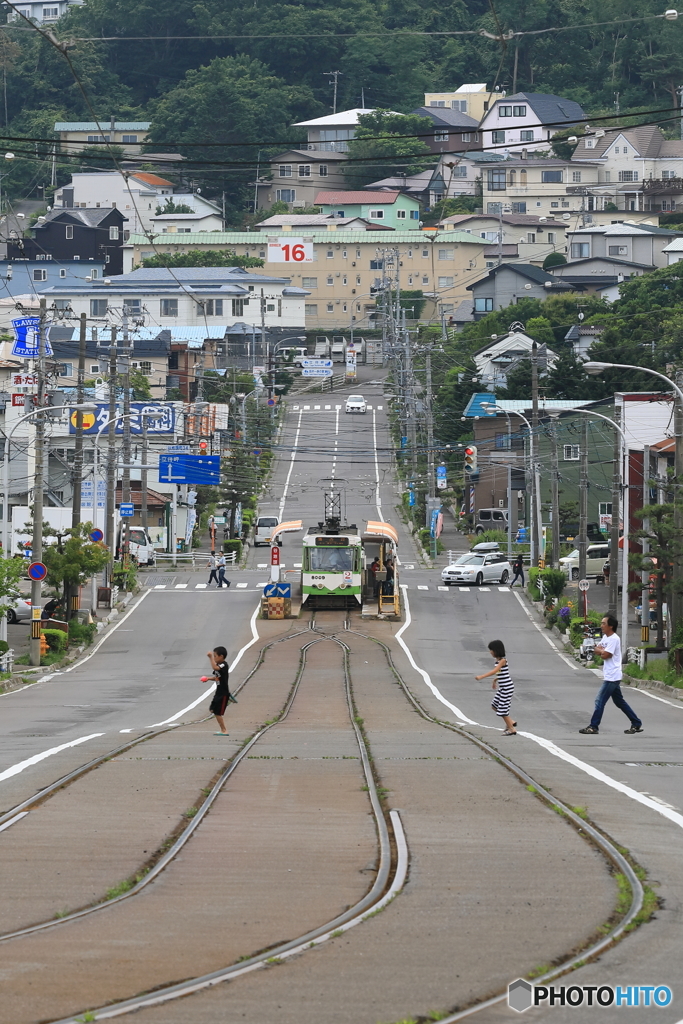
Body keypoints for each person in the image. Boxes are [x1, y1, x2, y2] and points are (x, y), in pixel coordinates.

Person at [579, 615, 643, 735]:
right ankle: (636, 722)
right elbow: (598, 650)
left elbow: (606, 655)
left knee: (599, 700)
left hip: (612, 676)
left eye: (603, 623)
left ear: (611, 626)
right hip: (610, 674)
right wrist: (601, 652)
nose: (601, 625)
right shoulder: (605, 638)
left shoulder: (614, 639)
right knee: (619, 702)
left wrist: (601, 652)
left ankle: (594, 726)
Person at [475, 639, 516, 735]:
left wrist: (482, 676)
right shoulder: (497, 661)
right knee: (494, 705)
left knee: (502, 709)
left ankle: (511, 729)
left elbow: (494, 671)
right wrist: (495, 680)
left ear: (496, 650)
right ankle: (511, 722)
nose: (490, 652)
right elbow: (503, 673)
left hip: (507, 687)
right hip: (503, 687)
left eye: (491, 650)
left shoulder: (502, 660)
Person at [207, 645, 237, 735]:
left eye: (215, 656)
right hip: (218, 692)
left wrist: (210, 658)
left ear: (221, 656)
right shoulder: (219, 665)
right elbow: (217, 677)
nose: (214, 658)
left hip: (223, 693)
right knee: (212, 709)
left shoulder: (224, 664)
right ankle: (223, 729)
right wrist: (208, 678)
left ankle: (224, 730)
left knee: (217, 712)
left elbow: (215, 668)